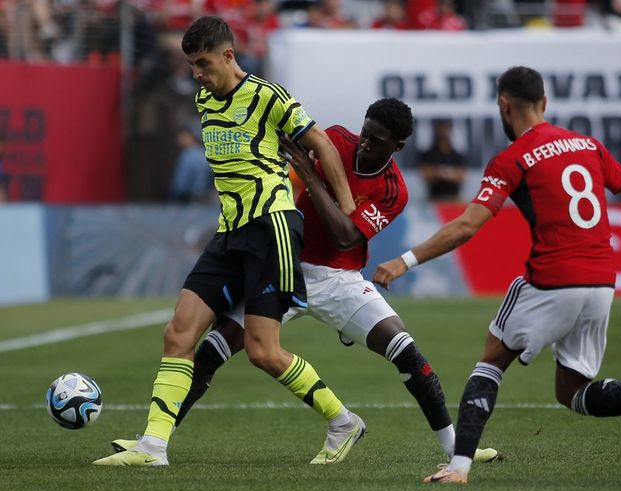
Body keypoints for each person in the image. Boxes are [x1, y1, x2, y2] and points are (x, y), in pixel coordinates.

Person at [111, 98, 498, 464]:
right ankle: (154, 440)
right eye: (365, 132)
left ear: (396, 146)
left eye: (377, 140)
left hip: (339, 280)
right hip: (284, 266)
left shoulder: (393, 191)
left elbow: (345, 236)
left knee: (407, 353)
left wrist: (312, 175)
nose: (365, 144)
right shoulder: (335, 142)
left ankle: (455, 447)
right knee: (211, 350)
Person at [373, 66, 621, 484]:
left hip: (553, 277)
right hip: (602, 281)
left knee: (491, 360)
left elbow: (468, 225)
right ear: (545, 103)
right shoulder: (589, 146)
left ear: (504, 105)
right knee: (573, 393)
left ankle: (458, 468)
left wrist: (405, 261)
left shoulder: (512, 158)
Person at [93, 15, 358, 467]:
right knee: (178, 332)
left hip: (271, 228)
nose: (197, 73)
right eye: (192, 64)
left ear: (228, 55)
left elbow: (323, 144)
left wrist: (348, 209)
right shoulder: (204, 100)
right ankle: (153, 447)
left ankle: (343, 421)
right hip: (230, 232)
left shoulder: (267, 95)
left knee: (262, 351)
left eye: (203, 63)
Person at [418, 118, 467, 202]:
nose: (444, 132)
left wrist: (439, 172)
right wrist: (450, 173)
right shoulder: (429, 154)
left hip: (454, 198)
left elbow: (461, 177)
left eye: (446, 129)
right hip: (434, 198)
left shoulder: (456, 154)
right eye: (441, 129)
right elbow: (427, 175)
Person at [168, 121, 214, 203]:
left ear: (191, 136)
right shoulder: (207, 154)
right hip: (206, 203)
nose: (179, 138)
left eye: (182, 135)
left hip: (188, 203)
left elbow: (181, 187)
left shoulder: (188, 156)